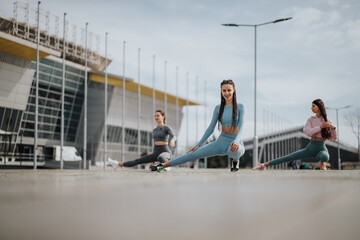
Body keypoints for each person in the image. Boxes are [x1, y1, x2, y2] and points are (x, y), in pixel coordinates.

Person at [150, 79, 245, 172]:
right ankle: (162, 166)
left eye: (229, 90)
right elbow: (211, 128)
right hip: (221, 142)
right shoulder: (218, 108)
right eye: (224, 90)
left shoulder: (240, 107)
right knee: (193, 154)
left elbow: (241, 126)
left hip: (235, 143)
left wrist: (236, 141)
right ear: (221, 91)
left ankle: (235, 161)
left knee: (235, 151)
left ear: (234, 90)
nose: (227, 93)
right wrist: (198, 145)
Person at [253, 99, 337, 170]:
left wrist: (333, 128)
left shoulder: (327, 120)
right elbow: (308, 132)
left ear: (319, 107)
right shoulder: (311, 119)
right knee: (289, 157)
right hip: (310, 147)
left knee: (325, 156)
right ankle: (263, 165)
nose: (311, 108)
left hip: (321, 148)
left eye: (313, 106)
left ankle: (322, 163)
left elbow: (334, 138)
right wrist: (320, 127)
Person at [107, 110, 176, 170]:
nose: (156, 117)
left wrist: (172, 140)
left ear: (163, 117)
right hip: (155, 153)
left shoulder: (166, 128)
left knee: (161, 157)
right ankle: (117, 164)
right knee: (137, 161)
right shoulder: (154, 130)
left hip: (166, 153)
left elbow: (174, 136)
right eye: (155, 116)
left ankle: (166, 166)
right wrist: (153, 159)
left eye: (158, 115)